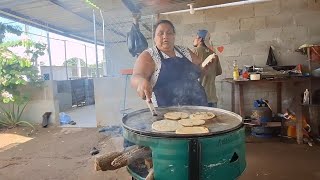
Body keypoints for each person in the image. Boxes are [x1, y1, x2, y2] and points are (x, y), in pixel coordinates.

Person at [131, 20, 218, 107]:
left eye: (169, 33)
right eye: (160, 33)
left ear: (174, 36)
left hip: (197, 107)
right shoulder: (149, 55)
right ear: (154, 38)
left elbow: (199, 70)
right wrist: (141, 82)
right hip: (166, 112)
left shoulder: (185, 51)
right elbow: (137, 76)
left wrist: (205, 68)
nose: (165, 36)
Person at [193, 29, 222, 107]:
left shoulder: (195, 51)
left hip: (200, 98)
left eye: (196, 37)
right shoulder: (213, 53)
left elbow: (191, 73)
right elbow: (219, 72)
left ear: (200, 39)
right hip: (212, 97)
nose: (194, 39)